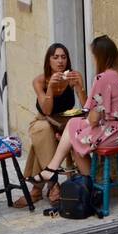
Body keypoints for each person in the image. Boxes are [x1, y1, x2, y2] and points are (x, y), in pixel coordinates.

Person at [37, 36, 118, 191]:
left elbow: (93, 119)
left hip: (114, 134)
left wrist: (78, 130)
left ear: (100, 57)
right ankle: (52, 169)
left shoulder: (102, 78)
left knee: (74, 136)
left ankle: (88, 187)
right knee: (74, 130)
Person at [16, 43, 87, 207]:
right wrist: (51, 89)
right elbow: (46, 111)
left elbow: (85, 108)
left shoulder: (73, 77)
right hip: (43, 120)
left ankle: (36, 190)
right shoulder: (39, 81)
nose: (60, 61)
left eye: (63, 57)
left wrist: (79, 87)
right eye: (55, 57)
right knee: (44, 131)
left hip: (64, 122)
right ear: (49, 61)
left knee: (41, 143)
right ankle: (54, 185)